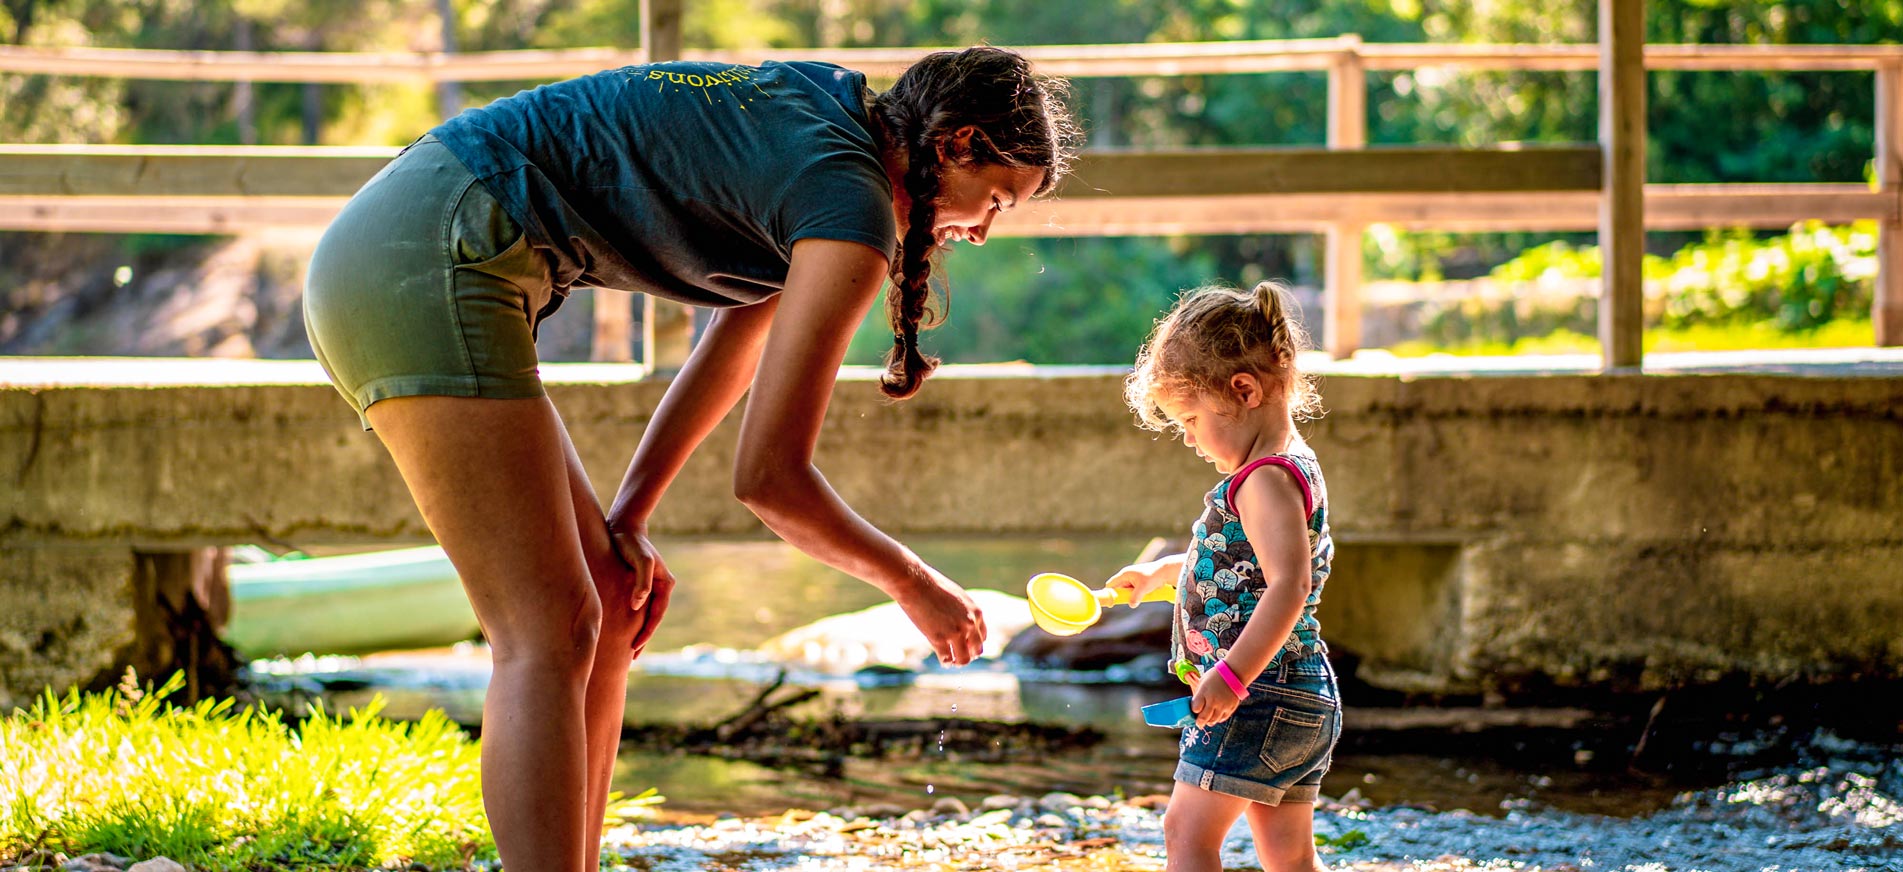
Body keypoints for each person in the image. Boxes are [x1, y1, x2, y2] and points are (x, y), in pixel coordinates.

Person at [302, 47, 1077, 872]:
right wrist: (913, 583)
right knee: (544, 632)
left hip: (413, 235)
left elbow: (735, 344)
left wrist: (629, 517)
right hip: (429, 256)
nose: (985, 231)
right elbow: (772, 481)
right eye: (994, 199)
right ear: (955, 144)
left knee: (605, 594)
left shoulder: (831, 119)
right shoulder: (848, 205)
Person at [1107, 282, 1341, 872]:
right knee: (1288, 857)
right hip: (1298, 691)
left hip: (1259, 692)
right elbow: (1249, 569)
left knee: (1186, 834)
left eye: (1189, 417)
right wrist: (1164, 572)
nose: (1186, 437)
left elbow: (1290, 585)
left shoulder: (1263, 478)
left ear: (1243, 389)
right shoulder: (1291, 464)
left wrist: (1232, 677)